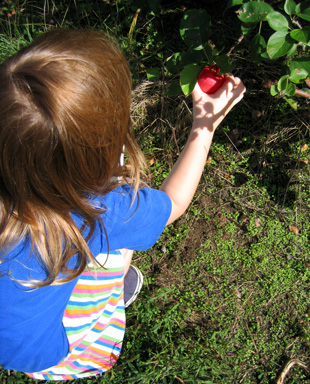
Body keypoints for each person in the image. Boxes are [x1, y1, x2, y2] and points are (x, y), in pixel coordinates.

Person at [0, 29, 245, 380]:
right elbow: (172, 204)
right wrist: (204, 125)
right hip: (43, 350)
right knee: (118, 248)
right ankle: (102, 307)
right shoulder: (100, 212)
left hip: (10, 336)